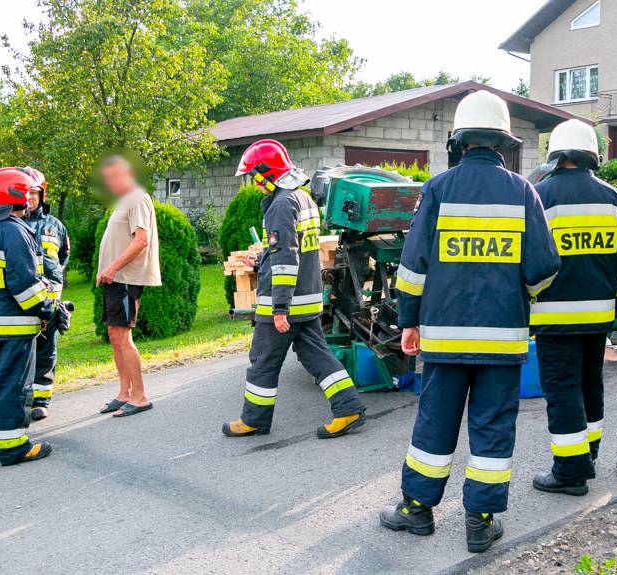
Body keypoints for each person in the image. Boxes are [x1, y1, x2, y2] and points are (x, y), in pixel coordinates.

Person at [379, 91, 561, 553]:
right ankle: (480, 522)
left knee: (435, 421)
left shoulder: (438, 189)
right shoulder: (524, 191)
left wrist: (409, 320)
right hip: (502, 339)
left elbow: (413, 266)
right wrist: (525, 299)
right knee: (494, 426)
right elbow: (543, 268)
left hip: (443, 336)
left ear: (460, 142)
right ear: (503, 142)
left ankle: (417, 511)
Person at [222, 139, 367, 439]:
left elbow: (287, 259)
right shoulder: (302, 199)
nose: (254, 183)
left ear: (266, 173)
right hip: (308, 298)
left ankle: (254, 420)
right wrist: (262, 256)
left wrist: (279, 308)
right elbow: (296, 250)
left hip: (286, 303)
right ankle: (348, 407)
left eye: (254, 176)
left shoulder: (280, 204)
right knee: (317, 356)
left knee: (263, 359)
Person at [530, 119, 617, 496]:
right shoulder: (615, 199)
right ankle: (588, 454)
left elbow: (528, 262)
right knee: (591, 384)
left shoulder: (539, 196)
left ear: (556, 154)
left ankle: (570, 472)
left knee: (561, 391)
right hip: (598, 317)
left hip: (552, 316)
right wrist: (615, 306)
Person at [0, 167, 71, 466]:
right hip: (16, 327)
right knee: (13, 385)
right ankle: (13, 446)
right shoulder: (15, 231)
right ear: (17, 196)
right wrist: (50, 310)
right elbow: (26, 287)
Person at [96, 155, 161, 417]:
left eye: (114, 176)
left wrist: (112, 268)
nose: (109, 182)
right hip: (116, 280)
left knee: (122, 337)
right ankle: (124, 393)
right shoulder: (125, 201)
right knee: (115, 336)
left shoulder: (137, 198)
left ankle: (140, 396)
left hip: (125, 279)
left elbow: (140, 240)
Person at [23, 167, 71, 420]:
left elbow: (63, 256)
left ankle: (42, 398)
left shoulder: (55, 226)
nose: (30, 197)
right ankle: (24, 396)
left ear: (42, 195)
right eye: (25, 192)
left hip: (50, 300)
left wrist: (54, 285)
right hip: (22, 300)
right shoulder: (13, 223)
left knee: (47, 348)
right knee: (21, 349)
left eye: (34, 192)